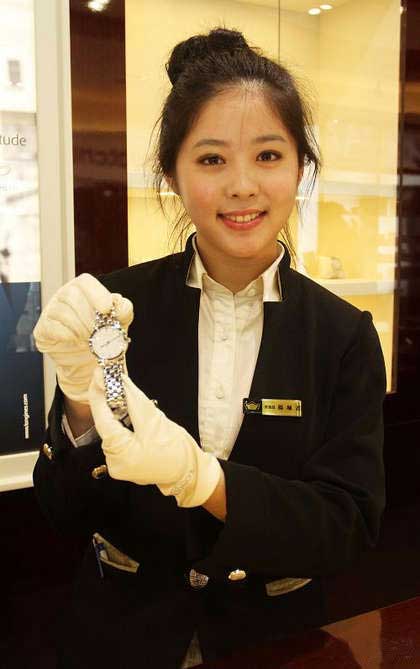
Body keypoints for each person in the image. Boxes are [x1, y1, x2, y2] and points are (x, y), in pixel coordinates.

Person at [32, 27, 386, 669]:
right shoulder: (114, 311)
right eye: (212, 159)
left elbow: (346, 528)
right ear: (172, 173)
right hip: (122, 638)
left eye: (269, 155)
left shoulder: (341, 334)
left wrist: (204, 480)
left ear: (301, 168)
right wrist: (80, 404)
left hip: (275, 642)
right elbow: (65, 513)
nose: (243, 186)